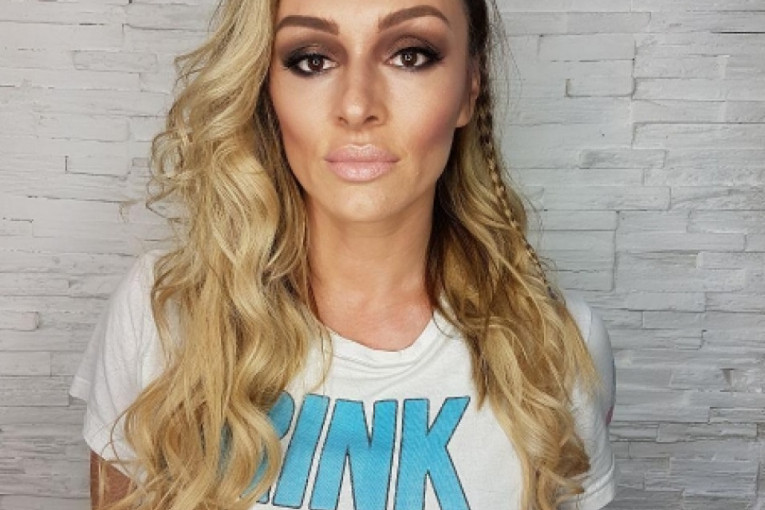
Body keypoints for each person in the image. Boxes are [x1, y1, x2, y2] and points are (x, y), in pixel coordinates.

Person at [70, 0, 617, 509]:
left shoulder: (556, 349)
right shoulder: (163, 315)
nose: (357, 107)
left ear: (470, 87)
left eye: (410, 55)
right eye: (312, 60)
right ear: (265, 86)